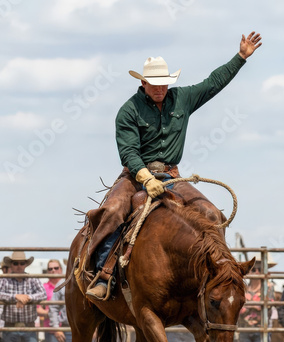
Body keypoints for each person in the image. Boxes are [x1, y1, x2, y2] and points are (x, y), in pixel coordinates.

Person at [86, 32, 263, 299]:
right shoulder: (129, 110)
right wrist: (146, 178)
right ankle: (103, 272)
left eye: (164, 84)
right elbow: (129, 151)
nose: (160, 89)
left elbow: (212, 83)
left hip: (171, 175)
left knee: (211, 212)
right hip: (136, 175)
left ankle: (217, 271)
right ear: (143, 82)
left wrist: (240, 58)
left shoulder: (182, 99)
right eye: (154, 84)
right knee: (112, 210)